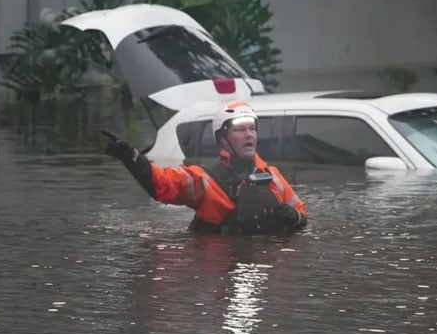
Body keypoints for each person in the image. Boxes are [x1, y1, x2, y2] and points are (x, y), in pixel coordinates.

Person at [102, 100, 308, 235]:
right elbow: (161, 183)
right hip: (220, 272)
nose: (249, 135)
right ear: (222, 138)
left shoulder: (272, 176)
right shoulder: (204, 179)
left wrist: (296, 218)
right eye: (240, 129)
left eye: (252, 129)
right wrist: (131, 157)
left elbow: (301, 213)